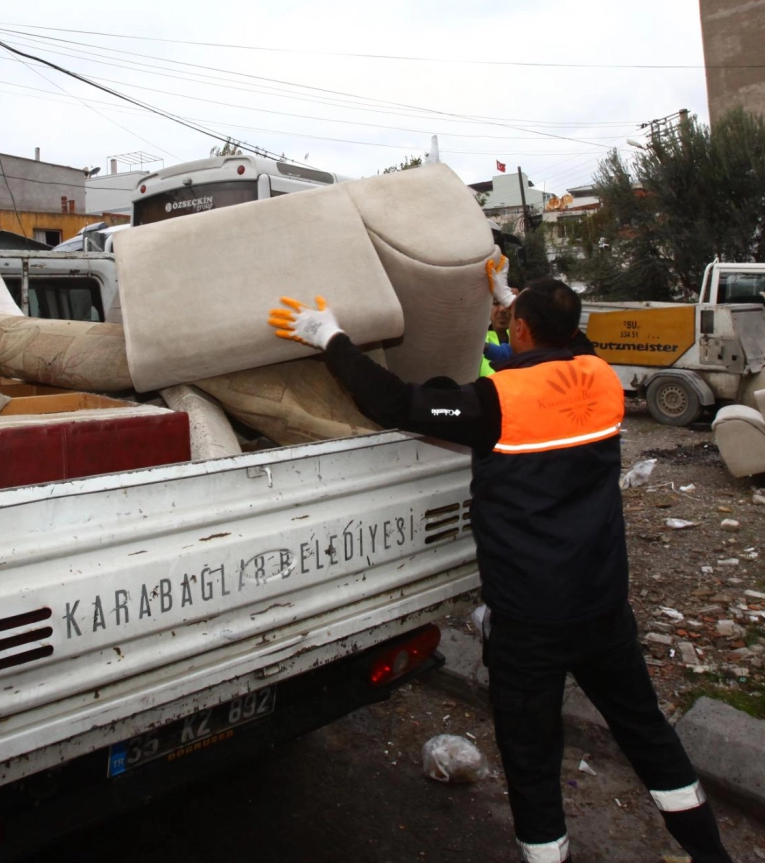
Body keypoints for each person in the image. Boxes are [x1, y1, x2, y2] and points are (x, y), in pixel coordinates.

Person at [268, 252, 731, 863]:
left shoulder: (495, 403)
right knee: (647, 734)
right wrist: (512, 296)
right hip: (603, 610)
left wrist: (329, 337)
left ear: (519, 331)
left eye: (513, 320)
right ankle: (712, 856)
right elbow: (568, 342)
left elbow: (393, 402)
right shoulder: (602, 378)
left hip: (529, 622)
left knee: (532, 760)